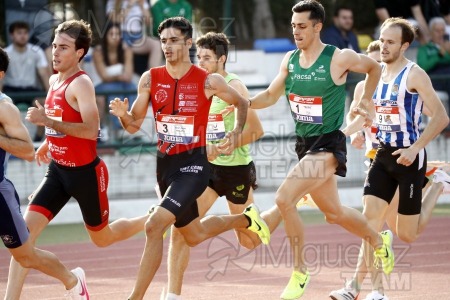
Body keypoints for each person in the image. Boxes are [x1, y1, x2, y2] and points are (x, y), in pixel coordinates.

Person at [109, 17, 270, 300]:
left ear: (187, 43)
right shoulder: (150, 78)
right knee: (192, 234)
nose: (167, 47)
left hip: (194, 166)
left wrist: (234, 133)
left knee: (154, 224)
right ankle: (244, 220)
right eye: (163, 41)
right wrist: (124, 117)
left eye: (173, 41)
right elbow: (134, 124)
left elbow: (241, 102)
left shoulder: (208, 80)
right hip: (165, 166)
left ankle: (139, 297)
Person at [247, 1, 396, 299]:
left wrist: (366, 100)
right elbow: (270, 95)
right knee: (334, 213)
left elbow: (374, 67)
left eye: (302, 26)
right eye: (293, 26)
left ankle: (300, 272)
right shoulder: (289, 60)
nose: (296, 31)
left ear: (317, 27)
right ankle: (379, 242)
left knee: (284, 197)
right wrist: (244, 102)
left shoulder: (337, 58)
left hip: (328, 144)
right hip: (304, 145)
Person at [5, 19, 149, 300]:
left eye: (63, 48)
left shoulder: (82, 83)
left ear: (80, 53)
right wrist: (49, 141)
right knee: (24, 240)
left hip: (86, 175)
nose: (55, 53)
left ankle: (151, 219)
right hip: (58, 172)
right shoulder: (53, 79)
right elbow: (61, 120)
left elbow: (90, 131)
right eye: (54, 46)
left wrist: (46, 120)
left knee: (102, 238)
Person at [165, 31, 283, 300]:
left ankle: (284, 208)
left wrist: (230, 143)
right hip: (207, 171)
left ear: (222, 59)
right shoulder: (199, 85)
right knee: (180, 229)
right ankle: (172, 295)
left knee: (248, 241)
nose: (201, 62)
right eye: (199, 57)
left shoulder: (234, 86)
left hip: (236, 170)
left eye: (207, 58)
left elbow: (257, 129)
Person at [330, 38, 450, 300]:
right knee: (370, 225)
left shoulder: (404, 79)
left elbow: (431, 112)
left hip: (404, 160)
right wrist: (349, 135)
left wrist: (416, 146)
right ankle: (364, 289)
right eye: (371, 62)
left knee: (403, 232)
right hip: (377, 160)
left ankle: (438, 182)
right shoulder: (364, 87)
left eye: (378, 61)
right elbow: (356, 117)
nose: (376, 66)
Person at [0, 47, 90, 300]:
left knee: (25, 255)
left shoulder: (5, 108)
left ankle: (73, 281)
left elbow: (28, 150)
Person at [0, 21, 50, 142]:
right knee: (3, 107)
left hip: (31, 91)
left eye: (25, 33)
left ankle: (38, 139)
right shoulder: (5, 53)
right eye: (19, 33)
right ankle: (11, 140)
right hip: (11, 90)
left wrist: (50, 95)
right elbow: (1, 77)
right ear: (12, 35)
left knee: (44, 104)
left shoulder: (37, 51)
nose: (23, 36)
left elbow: (44, 74)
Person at [93, 22, 137, 141]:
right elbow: (104, 77)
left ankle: (132, 125)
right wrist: (119, 75)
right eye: (111, 34)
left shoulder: (126, 49)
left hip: (122, 84)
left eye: (117, 34)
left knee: (133, 88)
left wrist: (117, 76)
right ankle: (120, 127)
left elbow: (128, 75)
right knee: (114, 90)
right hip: (101, 86)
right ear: (105, 36)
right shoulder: (98, 51)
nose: (115, 37)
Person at [106, 0, 163, 74]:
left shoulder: (141, 1)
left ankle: (153, 75)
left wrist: (142, 6)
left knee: (156, 44)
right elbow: (116, 20)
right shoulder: (113, 2)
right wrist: (129, 5)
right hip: (120, 36)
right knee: (126, 49)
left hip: (137, 37)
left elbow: (149, 22)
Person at [417, 17, 450, 115]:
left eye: (442, 30)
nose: (441, 34)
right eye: (437, 31)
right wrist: (439, 55)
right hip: (434, 79)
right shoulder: (425, 49)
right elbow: (423, 66)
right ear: (431, 32)